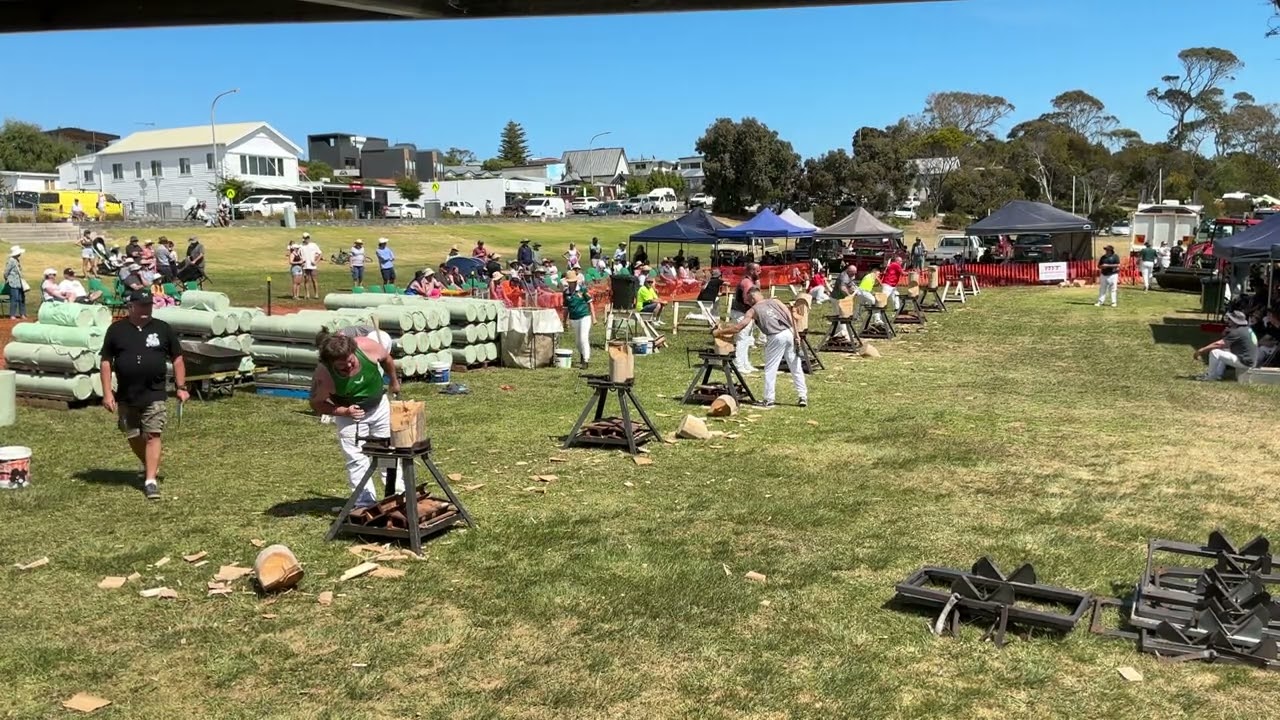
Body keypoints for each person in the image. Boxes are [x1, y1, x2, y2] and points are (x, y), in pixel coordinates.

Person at [100, 290, 188, 500]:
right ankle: (151, 462)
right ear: (131, 307)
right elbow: (105, 362)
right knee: (132, 434)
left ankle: (150, 481)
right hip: (126, 393)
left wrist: (181, 386)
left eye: (149, 305)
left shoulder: (162, 329)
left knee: (153, 434)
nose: (146, 310)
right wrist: (106, 393)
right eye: (142, 306)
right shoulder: (116, 330)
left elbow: (177, 358)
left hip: (155, 392)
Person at [308, 329, 400, 509]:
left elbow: (387, 359)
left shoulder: (367, 347)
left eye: (351, 362)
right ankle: (364, 503)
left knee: (387, 451)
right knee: (356, 458)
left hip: (379, 407)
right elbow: (317, 404)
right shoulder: (323, 374)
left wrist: (393, 381)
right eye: (342, 367)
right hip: (351, 417)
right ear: (330, 363)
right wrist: (344, 411)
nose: (349, 367)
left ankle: (397, 496)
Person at [715, 288, 808, 409]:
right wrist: (796, 335)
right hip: (788, 332)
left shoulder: (753, 310)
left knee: (770, 368)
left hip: (775, 336)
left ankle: (769, 399)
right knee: (795, 365)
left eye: (748, 300)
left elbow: (738, 328)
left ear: (753, 298)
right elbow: (790, 317)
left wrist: (720, 332)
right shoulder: (776, 301)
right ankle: (803, 396)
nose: (747, 303)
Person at [1194, 311, 1257, 381]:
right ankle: (1218, 374)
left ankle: (1210, 377)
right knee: (1223, 350)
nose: (1228, 321)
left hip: (1245, 362)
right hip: (1250, 360)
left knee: (1215, 352)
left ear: (1234, 321)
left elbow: (1218, 344)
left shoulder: (1236, 332)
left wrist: (1202, 350)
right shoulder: (1246, 329)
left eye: (1230, 319)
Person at [730, 263, 761, 374]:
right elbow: (747, 299)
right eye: (758, 271)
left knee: (747, 339)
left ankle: (745, 363)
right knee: (741, 339)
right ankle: (738, 364)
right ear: (751, 271)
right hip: (740, 312)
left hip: (747, 313)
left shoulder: (751, 282)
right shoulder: (746, 282)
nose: (760, 272)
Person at [563, 270, 594, 369]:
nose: (572, 283)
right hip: (574, 318)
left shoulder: (582, 289)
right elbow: (566, 308)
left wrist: (594, 317)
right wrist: (565, 321)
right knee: (577, 341)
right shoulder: (566, 293)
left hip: (584, 316)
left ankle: (586, 360)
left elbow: (590, 302)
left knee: (583, 338)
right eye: (570, 281)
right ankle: (582, 354)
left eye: (573, 281)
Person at [298, 234, 323, 299]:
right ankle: (307, 294)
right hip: (305, 265)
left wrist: (316, 261)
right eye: (305, 238)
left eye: (307, 238)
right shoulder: (301, 246)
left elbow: (320, 253)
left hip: (312, 265)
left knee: (314, 279)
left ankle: (316, 294)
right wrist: (301, 262)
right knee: (306, 280)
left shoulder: (313, 245)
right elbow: (298, 255)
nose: (306, 239)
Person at [4, 246, 25, 319]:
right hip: (13, 282)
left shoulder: (17, 260)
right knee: (14, 298)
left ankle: (22, 314)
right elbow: (6, 271)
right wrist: (7, 279)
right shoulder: (11, 261)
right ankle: (12, 314)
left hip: (19, 282)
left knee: (21, 298)